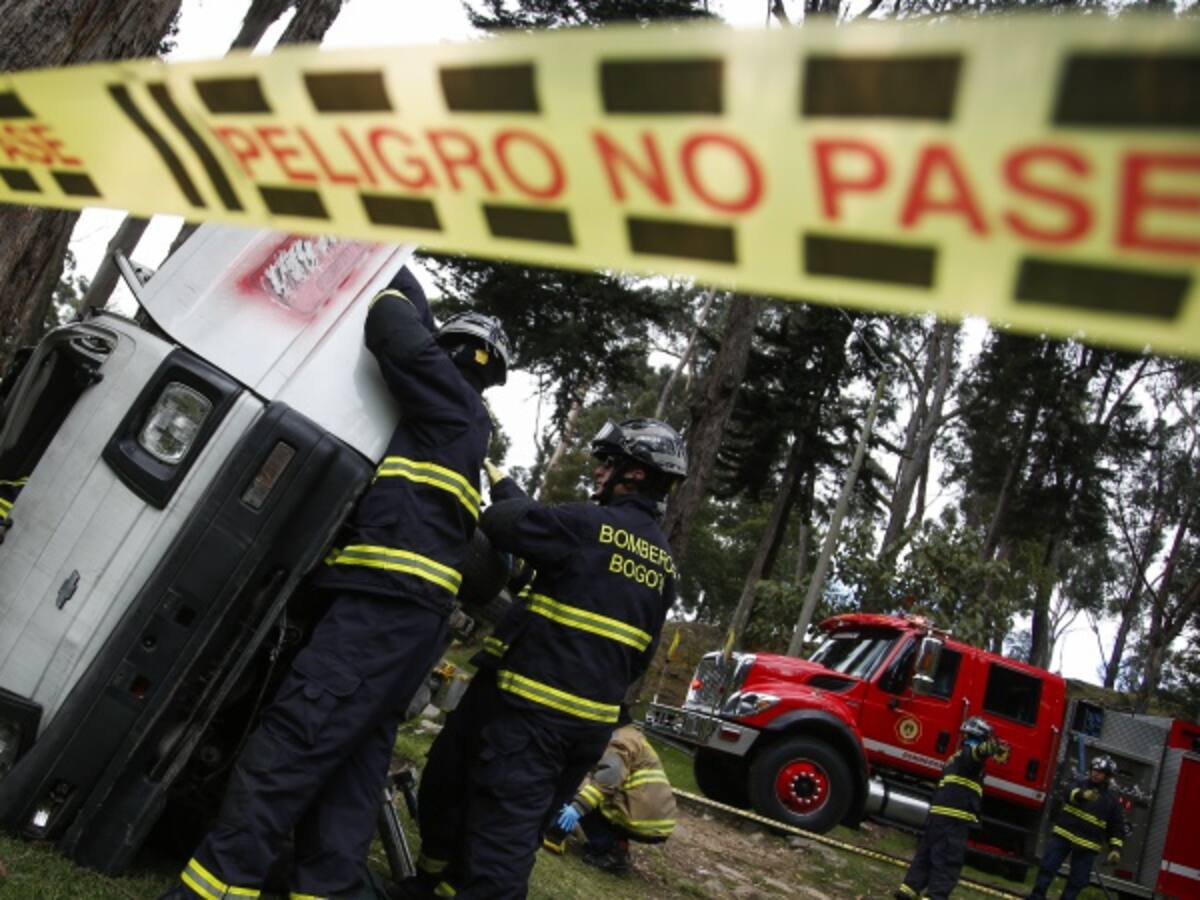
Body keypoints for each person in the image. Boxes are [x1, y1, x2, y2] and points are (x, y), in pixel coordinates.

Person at [158, 266, 511, 900]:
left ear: (454, 355)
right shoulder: (458, 430)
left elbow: (393, 328)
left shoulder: (449, 403)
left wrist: (386, 272)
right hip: (409, 624)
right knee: (354, 770)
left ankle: (213, 889)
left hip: (380, 615)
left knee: (291, 745)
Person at [407, 418, 687, 899]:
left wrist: (508, 490)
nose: (600, 470)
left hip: (531, 720)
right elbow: (638, 655)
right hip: (574, 726)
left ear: (636, 473)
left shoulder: (588, 525)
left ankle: (443, 882)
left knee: (499, 845)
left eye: (609, 462)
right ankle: (432, 885)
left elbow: (502, 523)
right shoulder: (663, 563)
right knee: (455, 794)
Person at [543, 714, 677, 874]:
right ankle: (619, 846)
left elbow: (606, 781)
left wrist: (576, 808)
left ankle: (609, 850)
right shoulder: (632, 736)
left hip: (641, 817)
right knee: (594, 795)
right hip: (656, 819)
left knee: (586, 797)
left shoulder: (619, 741)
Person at [895, 716, 1005, 900]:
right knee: (947, 863)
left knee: (926, 855)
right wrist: (993, 747)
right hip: (954, 820)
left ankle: (907, 890)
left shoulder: (952, 759)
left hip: (937, 817)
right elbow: (977, 754)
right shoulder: (969, 755)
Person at [1028, 755, 1124, 900]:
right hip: (1063, 836)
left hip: (1088, 845)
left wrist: (1115, 848)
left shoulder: (1112, 801)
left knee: (1077, 881)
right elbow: (1068, 793)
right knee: (1047, 868)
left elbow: (1116, 827)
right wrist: (1081, 795)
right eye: (1094, 770)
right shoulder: (1079, 784)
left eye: (1100, 771)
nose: (1095, 773)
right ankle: (1036, 897)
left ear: (1108, 776)